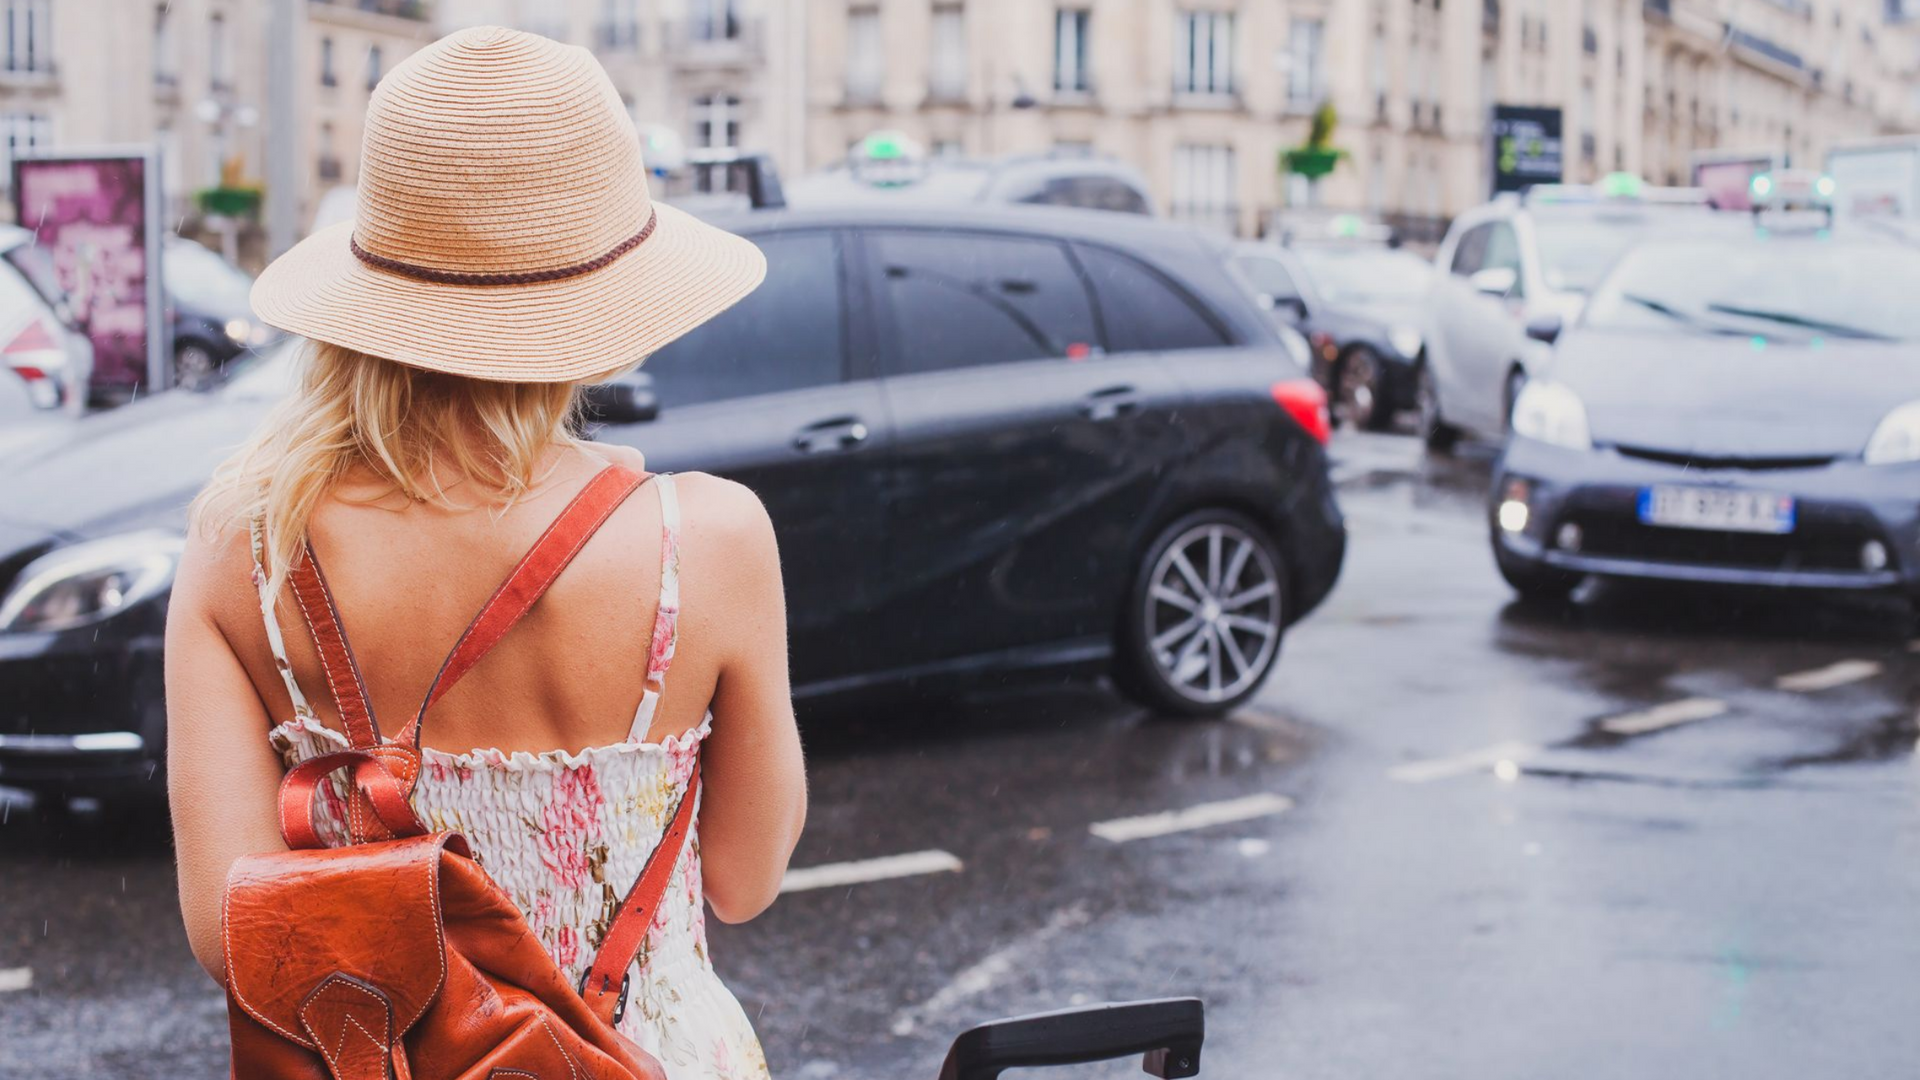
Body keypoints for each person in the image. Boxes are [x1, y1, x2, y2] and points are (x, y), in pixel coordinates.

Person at [164, 27, 804, 1080]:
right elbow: (744, 878)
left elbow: (231, 936)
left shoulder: (246, 549)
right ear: (606, 296)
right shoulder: (711, 539)